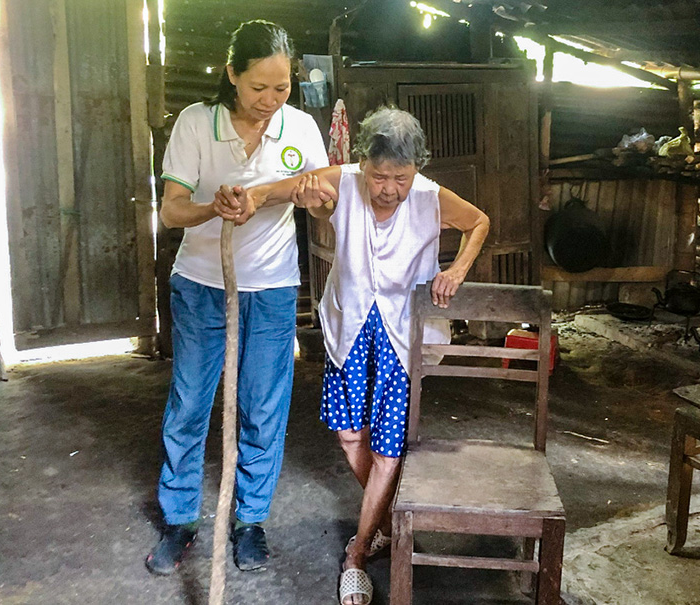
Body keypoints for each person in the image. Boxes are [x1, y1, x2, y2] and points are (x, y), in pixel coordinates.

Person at [219, 107, 490, 605]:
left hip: (400, 332)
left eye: (400, 178)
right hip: (349, 323)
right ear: (362, 163)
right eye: (379, 175)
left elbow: (479, 222)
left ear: (417, 171)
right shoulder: (341, 182)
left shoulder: (430, 198)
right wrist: (248, 199)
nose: (387, 189)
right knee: (349, 437)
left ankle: (357, 555)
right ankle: (391, 520)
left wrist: (456, 272)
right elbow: (276, 189)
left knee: (387, 450)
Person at [146, 20, 328, 576]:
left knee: (263, 406)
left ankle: (249, 521)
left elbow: (324, 201)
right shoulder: (196, 124)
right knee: (191, 403)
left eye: (281, 87)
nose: (271, 101)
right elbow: (171, 210)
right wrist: (213, 207)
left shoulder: (299, 127)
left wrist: (313, 197)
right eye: (258, 88)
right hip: (202, 283)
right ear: (232, 75)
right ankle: (180, 519)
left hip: (271, 288)